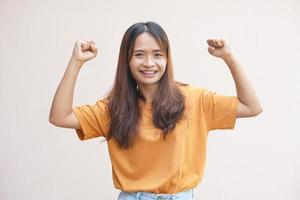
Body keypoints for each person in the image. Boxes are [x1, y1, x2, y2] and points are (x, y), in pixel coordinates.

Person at [49, 21, 262, 200]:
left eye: (157, 55)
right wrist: (76, 62)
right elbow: (60, 116)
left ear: (167, 59)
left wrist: (229, 57)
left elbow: (252, 106)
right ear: (127, 60)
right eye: (139, 54)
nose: (149, 63)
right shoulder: (114, 108)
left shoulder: (195, 99)